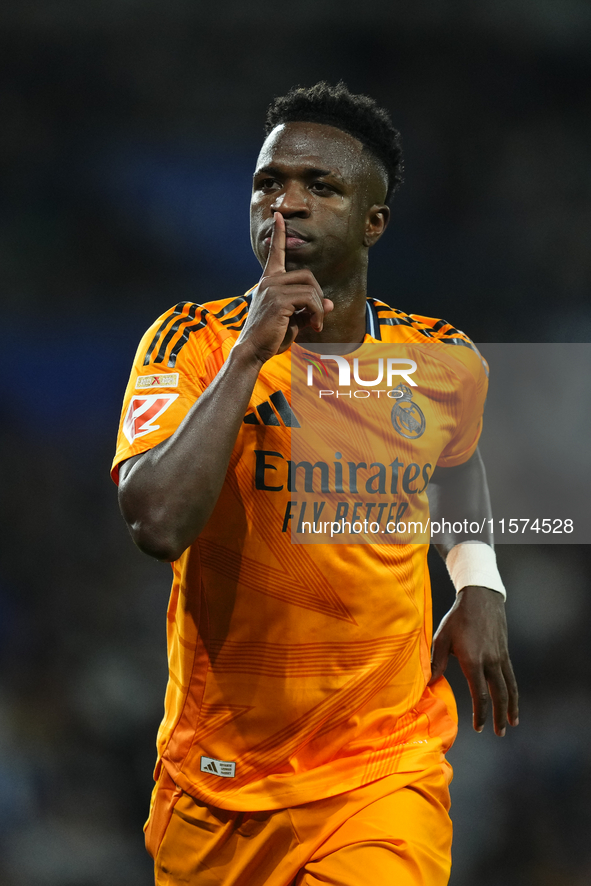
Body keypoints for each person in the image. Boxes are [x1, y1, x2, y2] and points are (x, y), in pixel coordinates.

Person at [112, 82, 518, 886]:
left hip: (381, 769)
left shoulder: (443, 359)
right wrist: (250, 353)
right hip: (219, 781)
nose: (285, 203)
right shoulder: (190, 343)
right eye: (269, 183)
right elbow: (156, 521)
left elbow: (457, 465)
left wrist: (478, 585)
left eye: (318, 187)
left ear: (373, 222)